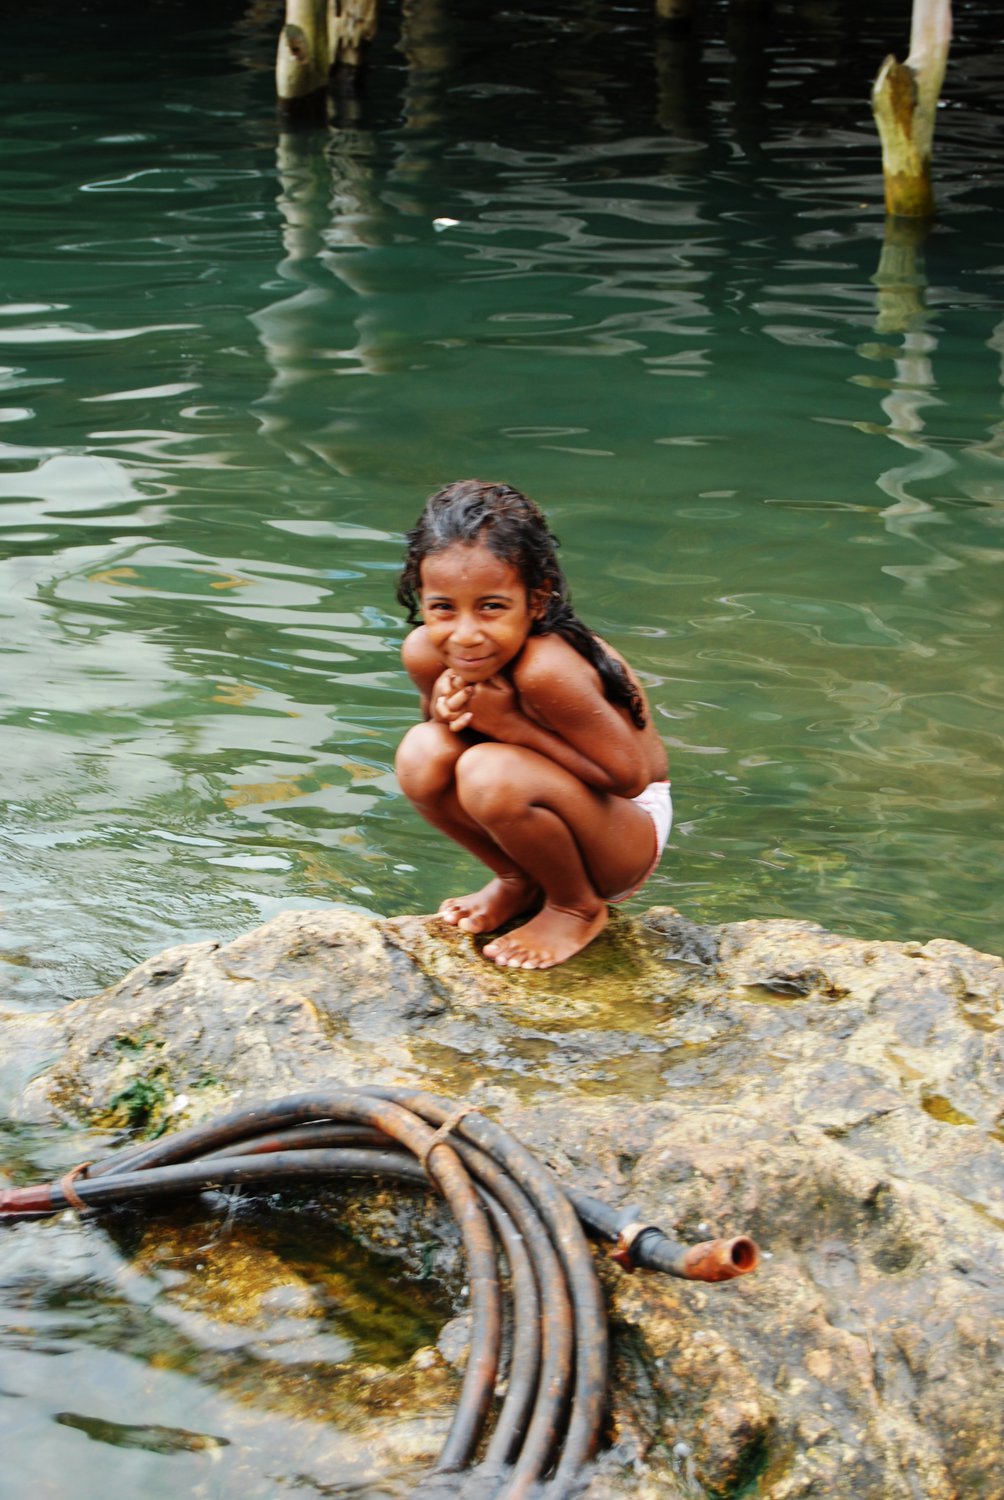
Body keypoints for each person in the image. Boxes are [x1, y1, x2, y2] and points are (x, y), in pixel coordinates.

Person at [394, 480, 671, 970]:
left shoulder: (547, 668)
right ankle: (519, 881)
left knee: (488, 771)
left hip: (627, 830)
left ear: (537, 600)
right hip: (546, 798)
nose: (465, 634)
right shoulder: (426, 652)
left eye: (491, 606)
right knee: (422, 752)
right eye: (443, 608)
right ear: (422, 597)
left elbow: (630, 778)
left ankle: (575, 906)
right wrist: (443, 709)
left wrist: (512, 726)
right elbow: (450, 746)